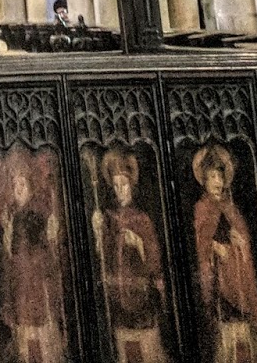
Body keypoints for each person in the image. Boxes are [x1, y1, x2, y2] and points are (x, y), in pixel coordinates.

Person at [92, 148, 169, 363]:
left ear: (131, 186)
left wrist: (139, 244)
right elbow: (103, 256)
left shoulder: (142, 219)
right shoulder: (110, 218)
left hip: (141, 294)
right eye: (116, 186)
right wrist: (97, 231)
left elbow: (155, 261)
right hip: (119, 294)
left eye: (123, 185)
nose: (120, 191)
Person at [192, 144, 257, 363]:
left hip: (238, 281)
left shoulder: (231, 209)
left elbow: (245, 244)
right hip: (218, 282)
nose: (217, 182)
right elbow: (200, 242)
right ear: (204, 180)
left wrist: (239, 245)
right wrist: (214, 247)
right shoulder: (201, 208)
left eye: (220, 176)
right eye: (212, 177)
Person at [0, 153, 67, 363]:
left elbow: (49, 259)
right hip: (20, 295)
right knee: (25, 348)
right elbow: (7, 265)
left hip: (38, 293)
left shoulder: (38, 216)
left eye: (22, 184)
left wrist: (52, 238)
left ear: (30, 187)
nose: (18, 190)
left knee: (43, 346)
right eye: (15, 185)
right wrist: (6, 243)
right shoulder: (10, 219)